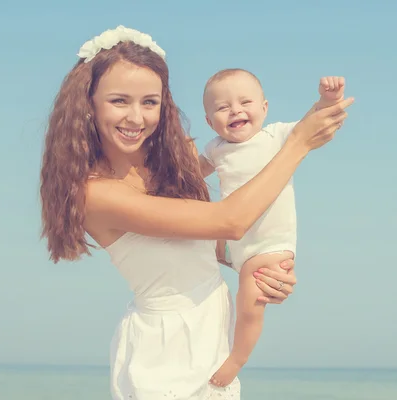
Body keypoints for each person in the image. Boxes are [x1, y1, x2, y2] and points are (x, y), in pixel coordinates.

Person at [39, 25, 354, 400]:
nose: (136, 117)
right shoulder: (95, 193)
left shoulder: (175, 161)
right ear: (87, 103)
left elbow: (205, 247)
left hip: (211, 332)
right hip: (166, 348)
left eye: (150, 102)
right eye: (119, 101)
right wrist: (299, 143)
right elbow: (230, 221)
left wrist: (263, 268)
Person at [198, 69, 346, 387]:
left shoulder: (276, 136)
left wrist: (326, 100)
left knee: (249, 302)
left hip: (270, 243)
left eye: (245, 102)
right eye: (223, 108)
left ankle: (237, 357)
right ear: (210, 122)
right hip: (233, 241)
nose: (236, 110)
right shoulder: (215, 148)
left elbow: (312, 126)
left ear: (264, 108)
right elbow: (191, 176)